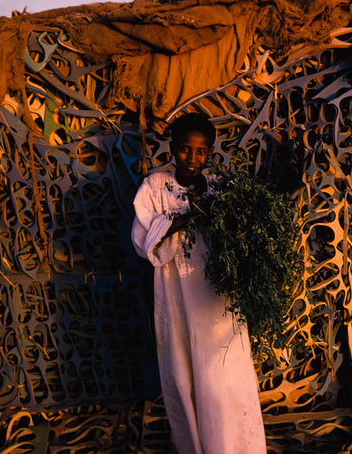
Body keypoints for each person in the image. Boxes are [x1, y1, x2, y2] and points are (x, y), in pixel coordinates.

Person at [131, 112, 267, 454]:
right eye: (185, 150)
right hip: (177, 296)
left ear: (210, 153)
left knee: (226, 373)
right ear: (173, 149)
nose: (193, 159)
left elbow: (242, 232)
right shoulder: (155, 187)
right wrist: (186, 217)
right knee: (186, 373)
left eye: (201, 152)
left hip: (219, 299)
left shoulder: (223, 187)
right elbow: (144, 241)